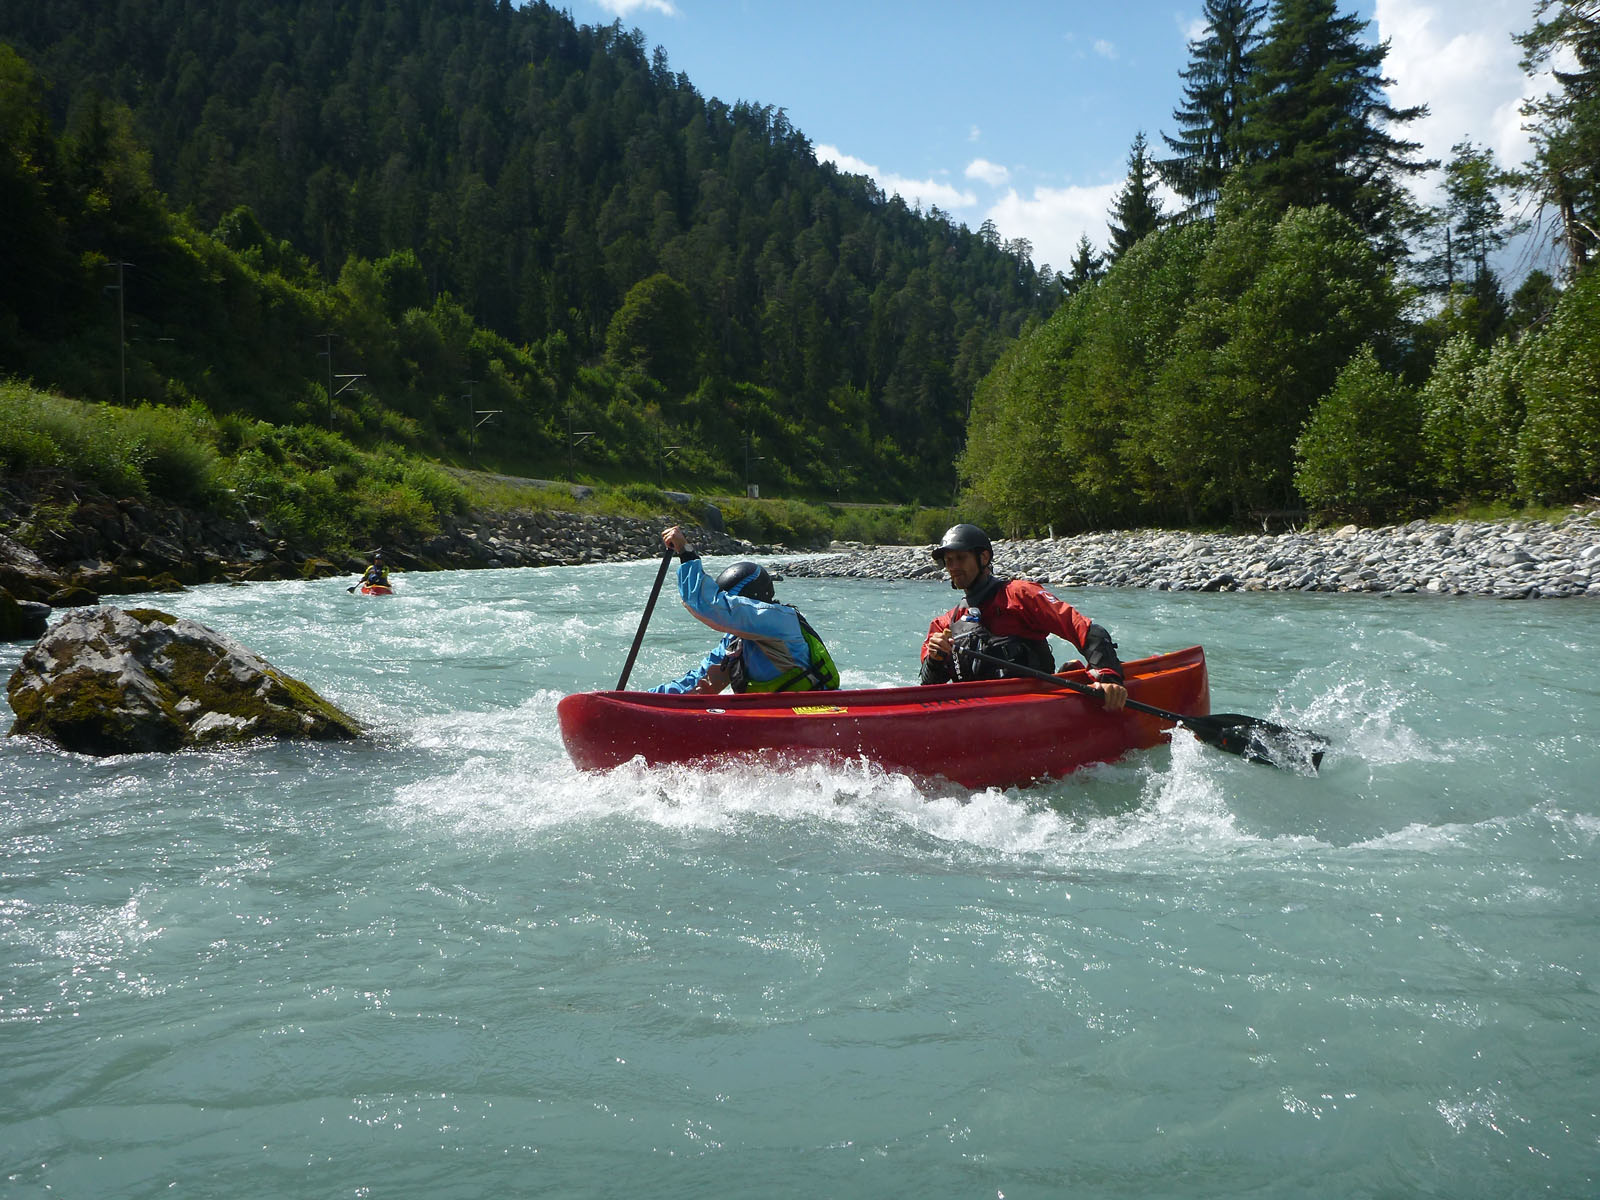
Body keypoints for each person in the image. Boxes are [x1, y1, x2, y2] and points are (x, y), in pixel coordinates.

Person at [919, 523, 1127, 711]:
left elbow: (1087, 631)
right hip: (981, 714)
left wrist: (1109, 678)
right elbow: (928, 688)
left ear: (983, 558)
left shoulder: (1019, 595)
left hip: (1034, 709)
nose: (953, 567)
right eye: (948, 561)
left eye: (960, 558)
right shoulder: (944, 625)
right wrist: (935, 659)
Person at [649, 525, 840, 695]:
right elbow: (698, 684)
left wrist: (686, 552)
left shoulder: (778, 621)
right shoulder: (735, 642)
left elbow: (708, 606)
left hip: (813, 707)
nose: (732, 607)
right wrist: (646, 698)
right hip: (769, 714)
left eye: (734, 602)